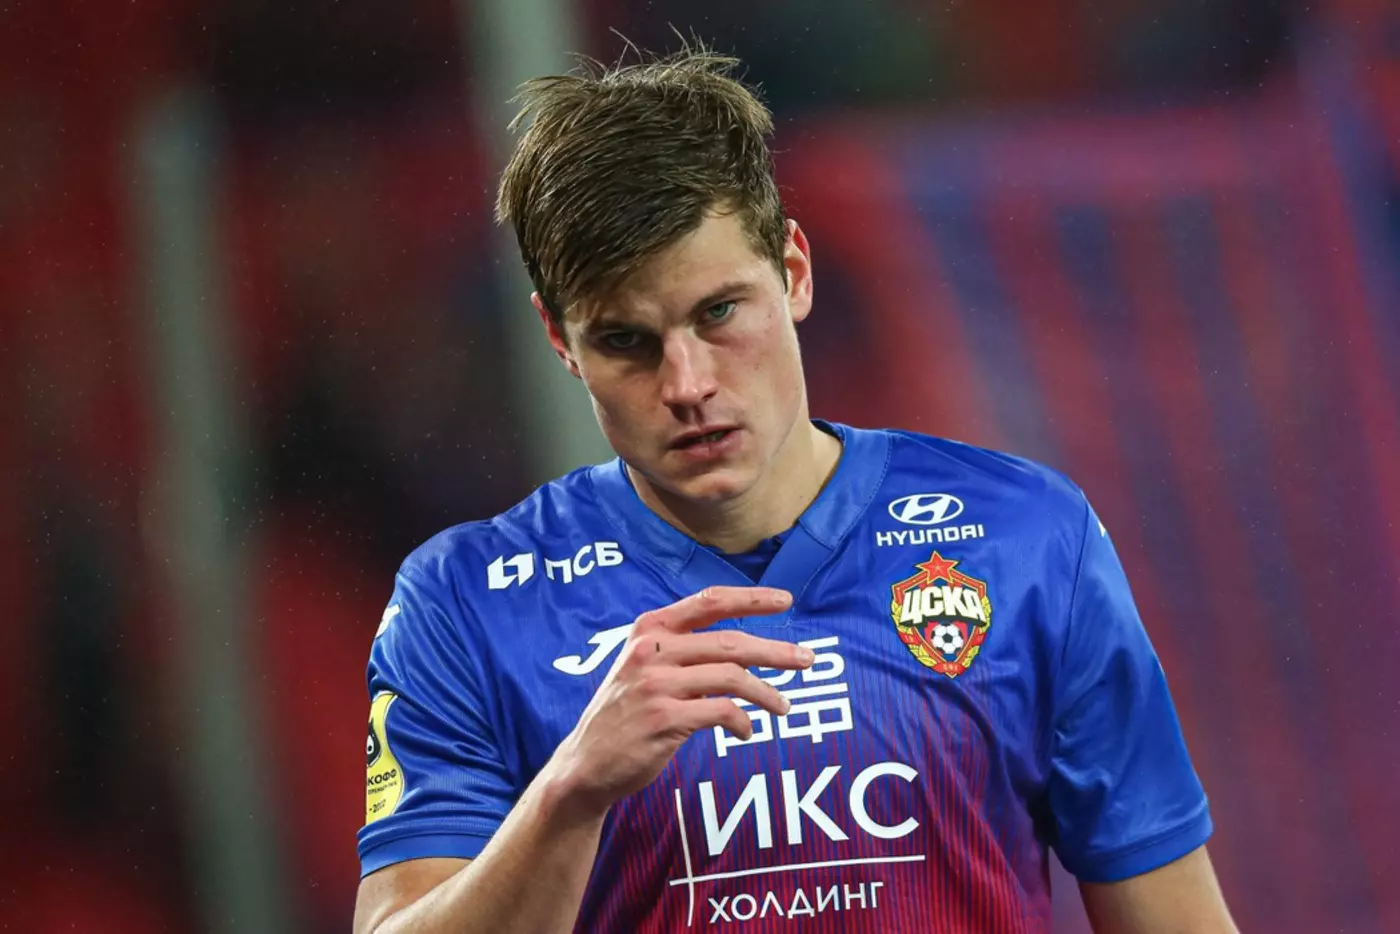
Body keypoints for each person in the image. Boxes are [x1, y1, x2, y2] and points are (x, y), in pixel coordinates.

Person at [352, 46, 1237, 934]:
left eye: (718, 313)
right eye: (626, 341)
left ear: (795, 271)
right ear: (559, 340)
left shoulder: (1028, 539)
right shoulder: (464, 606)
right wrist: (570, 791)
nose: (688, 384)